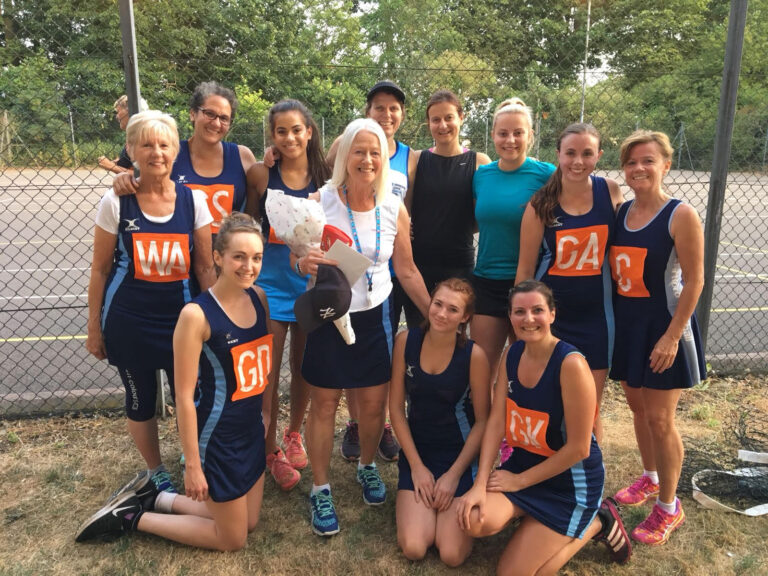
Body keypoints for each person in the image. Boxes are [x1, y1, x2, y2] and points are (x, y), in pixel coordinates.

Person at [77, 213, 269, 550]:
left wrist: (266, 419)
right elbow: (183, 396)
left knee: (251, 523)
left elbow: (259, 371)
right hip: (219, 436)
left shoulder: (259, 298)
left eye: (256, 257)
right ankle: (132, 517)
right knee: (233, 539)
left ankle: (159, 499)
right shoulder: (196, 315)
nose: (248, 266)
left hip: (250, 429)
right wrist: (192, 464)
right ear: (217, 257)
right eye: (238, 256)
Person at [294, 118, 430, 536]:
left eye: (375, 152)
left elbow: (405, 270)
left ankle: (367, 466)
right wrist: (303, 261)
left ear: (383, 159)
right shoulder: (321, 201)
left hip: (377, 316)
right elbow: (297, 258)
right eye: (359, 150)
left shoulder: (393, 207)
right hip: (329, 318)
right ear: (345, 156)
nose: (367, 159)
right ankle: (320, 487)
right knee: (324, 405)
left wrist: (436, 315)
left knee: (373, 407)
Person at [456, 280, 632, 574]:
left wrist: (519, 482)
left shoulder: (571, 364)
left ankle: (599, 522)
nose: (528, 319)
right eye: (519, 312)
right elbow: (497, 421)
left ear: (552, 314)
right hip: (524, 465)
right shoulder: (512, 355)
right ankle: (530, 516)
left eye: (537, 310)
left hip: (569, 483)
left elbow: (579, 448)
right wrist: (479, 483)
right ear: (510, 317)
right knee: (475, 521)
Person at [85, 110, 215, 496]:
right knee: (140, 399)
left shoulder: (194, 202)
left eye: (164, 145)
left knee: (190, 395)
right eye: (147, 144)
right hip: (129, 320)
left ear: (175, 152)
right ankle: (155, 469)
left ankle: (194, 457)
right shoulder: (115, 201)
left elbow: (206, 267)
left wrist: (215, 322)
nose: (156, 152)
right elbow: (100, 269)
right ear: (131, 150)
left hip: (183, 322)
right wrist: (95, 326)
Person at [609, 130, 705, 545]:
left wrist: (672, 336)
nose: (639, 169)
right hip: (628, 326)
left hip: (663, 327)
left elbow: (695, 280)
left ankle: (669, 506)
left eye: (648, 161)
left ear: (666, 164)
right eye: (631, 162)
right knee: (636, 406)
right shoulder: (621, 213)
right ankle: (650, 478)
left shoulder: (680, 214)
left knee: (661, 418)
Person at [516, 123, 624, 443]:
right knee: (549, 402)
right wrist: (522, 321)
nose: (578, 161)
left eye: (587, 154)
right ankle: (545, 473)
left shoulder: (610, 192)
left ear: (599, 156)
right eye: (571, 153)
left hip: (597, 317)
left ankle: (588, 479)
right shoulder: (541, 205)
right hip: (551, 318)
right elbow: (524, 271)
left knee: (589, 407)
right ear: (558, 155)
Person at [243, 99, 331, 491]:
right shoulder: (261, 175)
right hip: (270, 287)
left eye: (297, 129)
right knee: (265, 372)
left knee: (304, 368)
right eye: (281, 131)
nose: (290, 137)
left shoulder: (327, 176)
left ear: (309, 131)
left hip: (310, 286)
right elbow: (248, 226)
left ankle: (294, 433)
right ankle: (267, 447)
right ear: (272, 136)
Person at [389, 278, 490, 567]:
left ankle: (448, 508)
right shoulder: (405, 341)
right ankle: (423, 503)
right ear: (429, 303)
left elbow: (483, 422)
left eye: (453, 309)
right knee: (414, 547)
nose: (442, 314)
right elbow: (396, 409)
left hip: (457, 455)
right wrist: (417, 468)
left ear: (465, 317)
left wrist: (454, 474)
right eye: (438, 304)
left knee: (451, 554)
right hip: (418, 453)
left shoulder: (474, 356)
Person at [471, 98, 555, 382]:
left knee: (526, 368)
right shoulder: (482, 176)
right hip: (486, 281)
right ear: (493, 135)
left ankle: (521, 423)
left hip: (529, 283)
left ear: (530, 136)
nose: (510, 140)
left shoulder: (547, 175)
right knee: (483, 368)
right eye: (503, 133)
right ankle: (486, 424)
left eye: (518, 133)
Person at [113, 82, 260, 241]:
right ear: (192, 114)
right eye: (209, 113)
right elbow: (145, 187)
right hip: (182, 257)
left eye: (224, 118)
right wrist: (124, 178)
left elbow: (263, 193)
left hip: (228, 258)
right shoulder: (170, 155)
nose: (216, 123)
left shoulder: (242, 156)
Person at [404, 89, 491, 330]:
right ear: (428, 123)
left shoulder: (479, 162)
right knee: (420, 332)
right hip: (420, 264)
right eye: (435, 119)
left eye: (449, 117)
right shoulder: (417, 159)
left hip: (459, 263)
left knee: (454, 335)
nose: (443, 125)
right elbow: (406, 209)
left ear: (461, 117)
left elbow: (481, 215)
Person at [97, 95, 147, 174]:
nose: (116, 116)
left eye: (118, 112)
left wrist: (111, 166)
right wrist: (119, 162)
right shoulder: (133, 135)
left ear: (130, 111)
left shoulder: (144, 136)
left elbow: (142, 175)